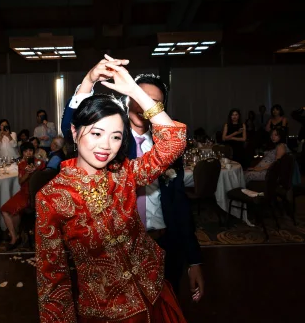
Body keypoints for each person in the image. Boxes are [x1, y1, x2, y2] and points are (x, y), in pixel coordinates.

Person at [37, 60, 202, 323]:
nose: (106, 146)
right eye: (96, 133)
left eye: (115, 137)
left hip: (155, 301)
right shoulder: (52, 198)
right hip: (107, 319)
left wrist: (135, 92)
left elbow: (174, 142)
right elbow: (52, 284)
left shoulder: (125, 173)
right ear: (74, 130)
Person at [62, 60, 204, 300]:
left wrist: (194, 260)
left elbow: (180, 205)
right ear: (127, 99)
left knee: (162, 315)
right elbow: (72, 129)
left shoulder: (166, 149)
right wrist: (88, 80)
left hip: (164, 244)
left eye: (152, 101)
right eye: (136, 96)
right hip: (117, 250)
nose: (142, 104)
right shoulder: (109, 146)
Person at [0, 142, 45, 250]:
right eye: (25, 151)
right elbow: (20, 181)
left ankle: (15, 237)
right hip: (23, 193)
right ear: (22, 153)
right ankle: (15, 236)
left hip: (35, 194)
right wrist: (28, 173)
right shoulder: (21, 165)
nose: (28, 153)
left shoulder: (39, 162)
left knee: (11, 211)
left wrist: (36, 170)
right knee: (5, 210)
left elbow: (45, 173)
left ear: (33, 151)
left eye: (30, 150)